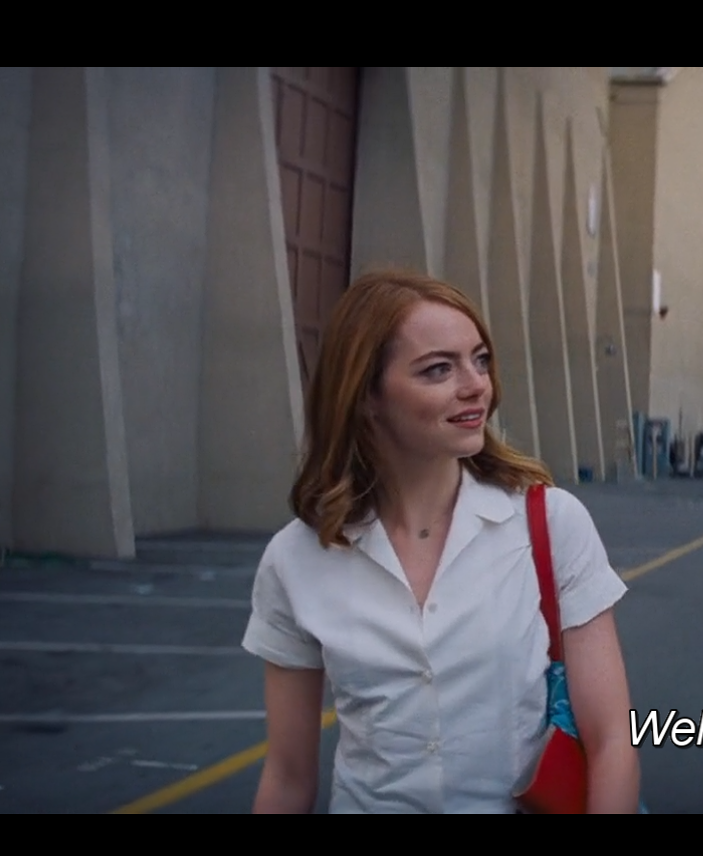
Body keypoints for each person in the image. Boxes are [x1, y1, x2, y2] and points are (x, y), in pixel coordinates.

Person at [243, 269, 640, 813]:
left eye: (480, 360)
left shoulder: (551, 522)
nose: (476, 385)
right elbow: (288, 778)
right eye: (438, 369)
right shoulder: (296, 558)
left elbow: (612, 742)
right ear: (366, 396)